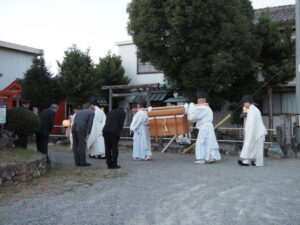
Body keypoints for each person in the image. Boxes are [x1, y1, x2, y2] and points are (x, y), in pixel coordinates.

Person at [188, 92, 221, 164]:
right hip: (208, 127)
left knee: (201, 143)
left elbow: (193, 115)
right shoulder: (207, 108)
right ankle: (210, 157)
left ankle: (201, 159)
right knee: (209, 142)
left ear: (200, 100)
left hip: (205, 128)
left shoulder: (203, 108)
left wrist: (191, 105)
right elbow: (198, 117)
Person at [238, 95, 267, 166]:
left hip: (255, 132)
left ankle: (247, 161)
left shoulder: (252, 110)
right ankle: (256, 162)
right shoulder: (253, 109)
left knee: (251, 145)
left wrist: (249, 134)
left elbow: (251, 124)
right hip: (257, 132)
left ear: (248, 102)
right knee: (256, 148)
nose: (244, 105)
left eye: (244, 103)